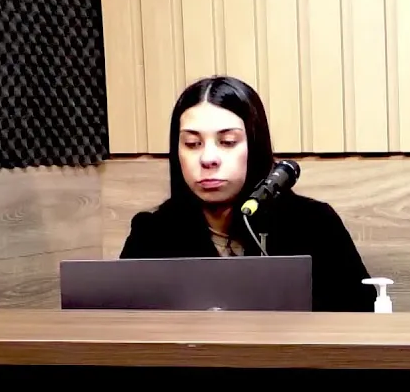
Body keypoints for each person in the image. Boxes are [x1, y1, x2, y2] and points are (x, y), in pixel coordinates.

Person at [119, 76, 376, 312]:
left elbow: (361, 313)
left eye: (227, 142)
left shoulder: (314, 224)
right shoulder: (151, 233)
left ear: (255, 145)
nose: (208, 158)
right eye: (192, 144)